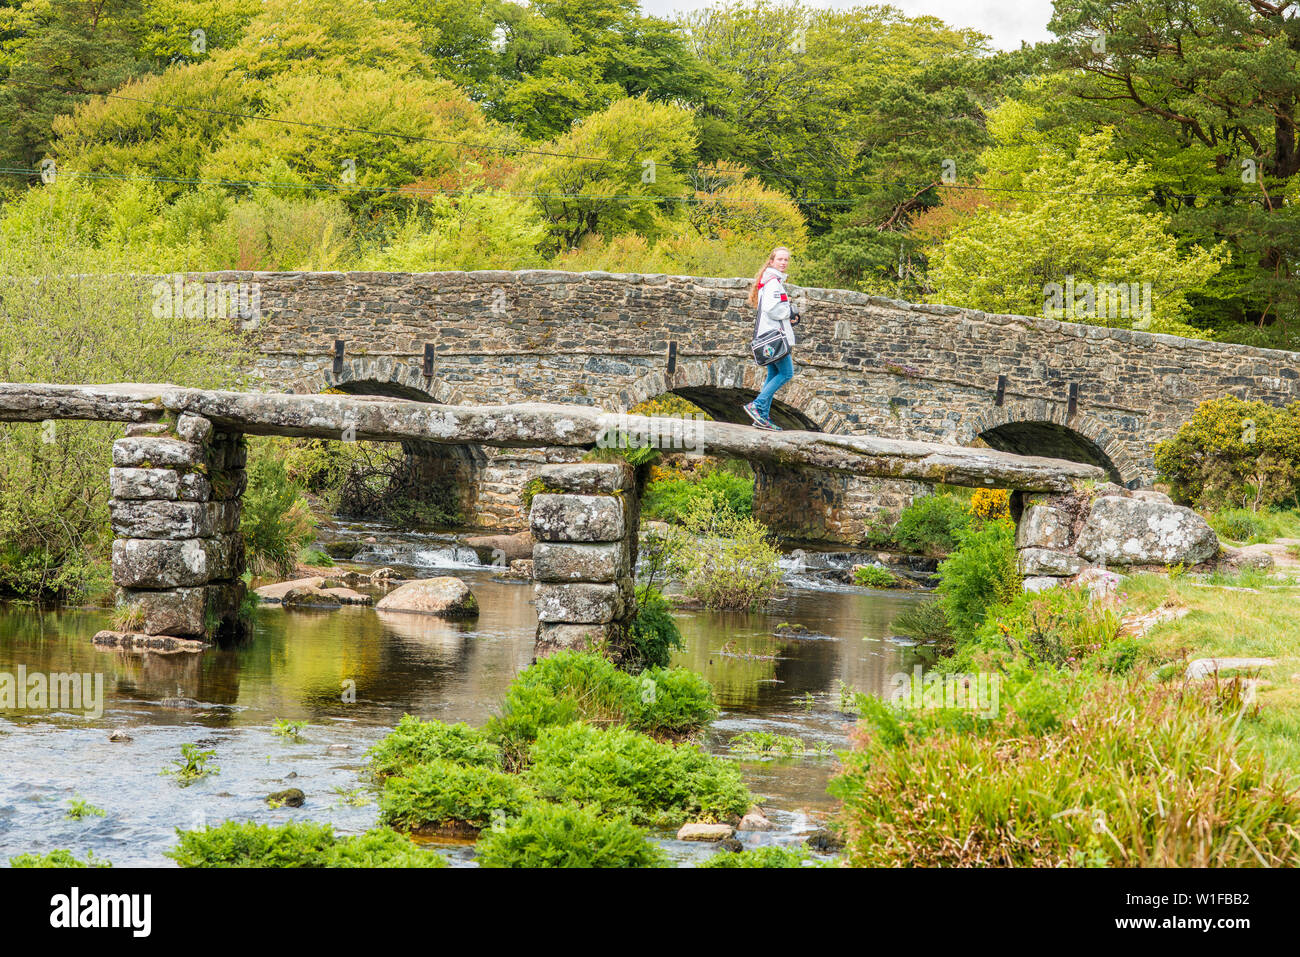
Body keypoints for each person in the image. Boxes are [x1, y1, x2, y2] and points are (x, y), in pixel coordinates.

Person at [743, 246, 799, 431]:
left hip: (769, 335)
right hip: (775, 337)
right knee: (786, 373)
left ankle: (762, 417)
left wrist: (789, 317)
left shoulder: (770, 281)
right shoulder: (773, 282)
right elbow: (771, 309)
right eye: (780, 259)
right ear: (772, 261)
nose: (783, 263)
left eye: (786, 260)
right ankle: (757, 406)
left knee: (773, 374)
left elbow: (772, 309)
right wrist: (789, 311)